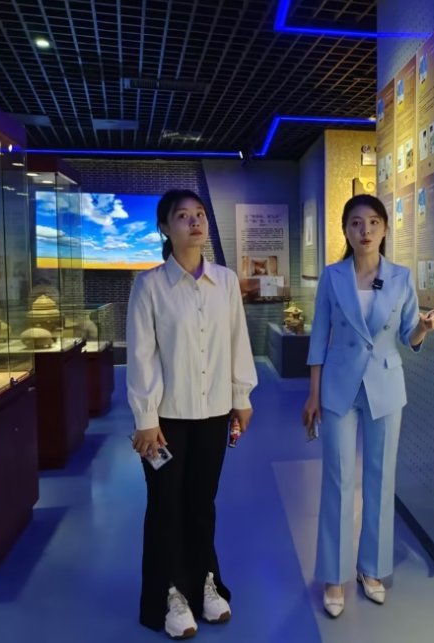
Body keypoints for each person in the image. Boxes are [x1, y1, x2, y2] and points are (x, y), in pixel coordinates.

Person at [302, 194, 434, 617]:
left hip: (385, 384)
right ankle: (334, 575)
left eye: (373, 223)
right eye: (356, 223)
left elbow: (408, 336)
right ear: (346, 230)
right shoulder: (332, 277)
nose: (365, 231)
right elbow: (318, 337)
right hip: (338, 386)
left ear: (384, 228)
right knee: (337, 478)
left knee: (380, 479)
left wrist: (423, 328)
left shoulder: (401, 277)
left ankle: (373, 568)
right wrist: (313, 394)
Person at [127, 189, 257, 639]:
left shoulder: (225, 282)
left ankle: (204, 582)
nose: (195, 221)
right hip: (165, 422)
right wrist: (146, 417)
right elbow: (141, 356)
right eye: (182, 216)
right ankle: (169, 592)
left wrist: (242, 397)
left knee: (202, 505)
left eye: (199, 213)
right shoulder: (149, 286)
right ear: (165, 227)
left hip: (214, 414)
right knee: (165, 506)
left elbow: (238, 341)